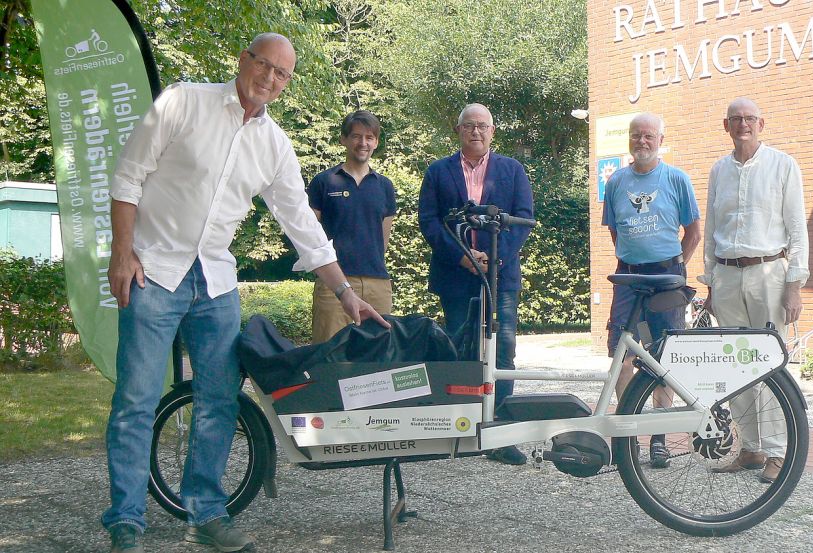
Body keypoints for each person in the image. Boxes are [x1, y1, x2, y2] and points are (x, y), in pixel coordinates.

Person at [105, 33, 388, 553]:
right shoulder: (182, 101)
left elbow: (302, 224)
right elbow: (127, 179)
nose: (270, 79)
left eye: (282, 74)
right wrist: (122, 252)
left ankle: (205, 513)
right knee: (136, 400)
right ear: (244, 60)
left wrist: (346, 294)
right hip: (154, 270)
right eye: (265, 65)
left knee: (219, 400)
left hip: (215, 281)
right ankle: (126, 522)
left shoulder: (274, 144)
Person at [418, 103, 534, 466]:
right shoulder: (438, 171)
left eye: (483, 126)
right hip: (456, 275)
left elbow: (524, 220)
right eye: (469, 126)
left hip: (501, 278)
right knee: (458, 345)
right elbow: (429, 220)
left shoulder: (513, 171)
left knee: (504, 352)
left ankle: (501, 433)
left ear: (493, 131)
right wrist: (462, 255)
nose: (476, 132)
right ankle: (460, 427)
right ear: (458, 131)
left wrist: (495, 257)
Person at [701, 97, 810, 484]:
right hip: (729, 277)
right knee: (735, 364)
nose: (743, 124)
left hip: (769, 273)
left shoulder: (783, 165)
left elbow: (797, 228)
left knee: (769, 365)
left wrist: (794, 286)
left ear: (761, 123)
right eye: (735, 119)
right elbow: (713, 225)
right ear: (725, 125)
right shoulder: (718, 170)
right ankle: (749, 448)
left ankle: (778, 453)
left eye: (749, 118)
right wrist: (711, 282)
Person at [602, 113, 701, 469]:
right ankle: (627, 438)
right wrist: (634, 259)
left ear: (660, 139)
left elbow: (693, 232)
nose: (641, 142)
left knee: (664, 356)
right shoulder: (615, 182)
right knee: (622, 354)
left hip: (666, 275)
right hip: (628, 277)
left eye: (648, 136)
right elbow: (615, 232)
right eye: (635, 136)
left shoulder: (676, 179)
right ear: (629, 140)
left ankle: (658, 439)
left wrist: (677, 268)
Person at [308, 110, 397, 343]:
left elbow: (383, 240)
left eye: (369, 137)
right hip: (333, 285)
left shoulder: (385, 187)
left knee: (378, 359)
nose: (363, 143)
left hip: (378, 283)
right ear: (343, 139)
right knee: (328, 357)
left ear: (376, 142)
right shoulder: (323, 182)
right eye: (356, 136)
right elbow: (309, 236)